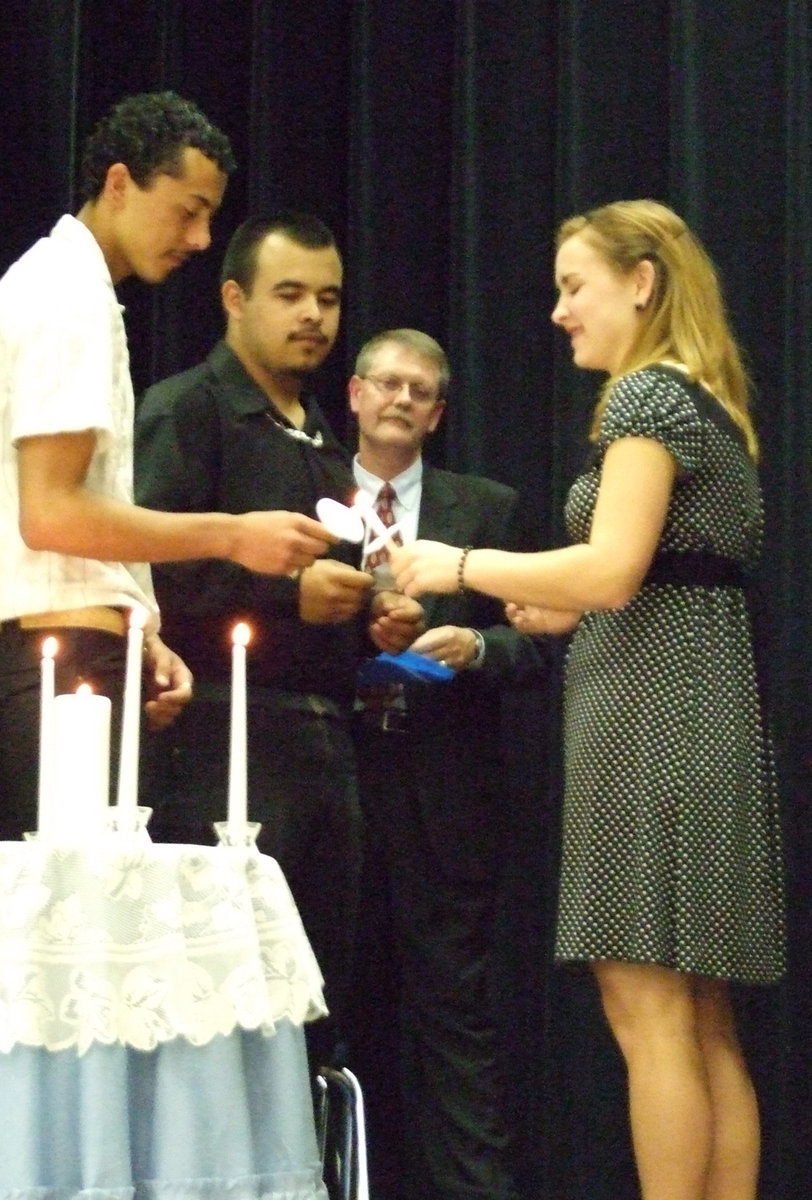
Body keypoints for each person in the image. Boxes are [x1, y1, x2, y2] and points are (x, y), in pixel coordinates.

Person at [391, 200, 786, 1200]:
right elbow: (651, 576)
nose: (561, 311)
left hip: (651, 727)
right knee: (700, 1019)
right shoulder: (710, 400)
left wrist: (460, 561)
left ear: (641, 283)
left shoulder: (647, 398)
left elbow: (612, 571)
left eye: (576, 286)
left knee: (647, 1009)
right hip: (704, 715)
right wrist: (553, 605)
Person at [0, 93, 336, 844]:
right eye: (187, 210)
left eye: (210, 215)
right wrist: (232, 535)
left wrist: (139, 628)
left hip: (51, 652)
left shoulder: (61, 286)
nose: (201, 236)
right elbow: (51, 514)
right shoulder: (69, 298)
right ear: (119, 184)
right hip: (54, 663)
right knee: (81, 931)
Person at [133, 212, 422, 1066]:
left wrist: (374, 613)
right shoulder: (187, 410)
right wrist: (291, 594)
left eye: (329, 299)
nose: (314, 317)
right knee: (215, 1003)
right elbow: (145, 568)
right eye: (290, 294)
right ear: (233, 298)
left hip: (325, 743)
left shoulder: (326, 437)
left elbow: (326, 594)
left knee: (308, 1007)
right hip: (219, 738)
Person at [345, 329, 545, 1200]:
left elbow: (539, 643)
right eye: (386, 382)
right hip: (328, 791)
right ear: (353, 395)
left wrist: (478, 646)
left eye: (419, 390)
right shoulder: (294, 498)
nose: (400, 398)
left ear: (439, 412)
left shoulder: (487, 508)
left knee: (456, 1034)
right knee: (322, 1024)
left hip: (447, 805)